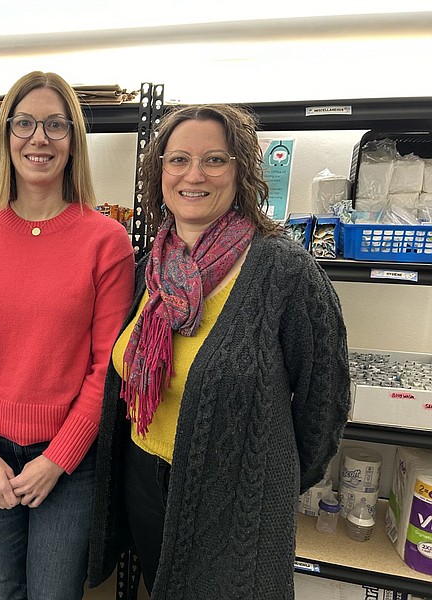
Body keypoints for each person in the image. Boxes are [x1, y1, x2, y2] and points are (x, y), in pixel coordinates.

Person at [87, 104, 351, 599]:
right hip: (144, 476)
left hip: (234, 495)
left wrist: (268, 483)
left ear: (242, 171)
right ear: (159, 170)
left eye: (215, 159)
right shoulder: (148, 269)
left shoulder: (284, 271)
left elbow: (325, 402)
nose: (194, 175)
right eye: (179, 159)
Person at [0, 71, 134, 600]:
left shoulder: (107, 242)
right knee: (3, 585)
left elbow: (109, 366)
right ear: (6, 137)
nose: (39, 138)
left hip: (69, 459)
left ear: (74, 141)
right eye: (24, 123)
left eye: (55, 125)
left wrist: (59, 458)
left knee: (53, 593)